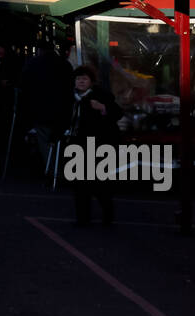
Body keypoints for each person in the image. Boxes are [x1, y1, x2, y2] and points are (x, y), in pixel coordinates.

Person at [65, 63, 122, 226]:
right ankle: (82, 217)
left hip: (98, 144)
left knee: (98, 183)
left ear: (91, 81)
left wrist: (103, 108)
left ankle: (107, 215)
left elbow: (117, 113)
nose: (81, 82)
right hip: (77, 144)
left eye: (84, 79)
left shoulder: (101, 95)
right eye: (78, 79)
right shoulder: (71, 97)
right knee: (79, 184)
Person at [20, 44, 74, 179]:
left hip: (40, 109)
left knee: (44, 139)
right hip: (62, 109)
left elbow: (24, 86)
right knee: (59, 140)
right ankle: (59, 169)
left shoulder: (33, 64)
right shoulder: (64, 64)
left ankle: (53, 171)